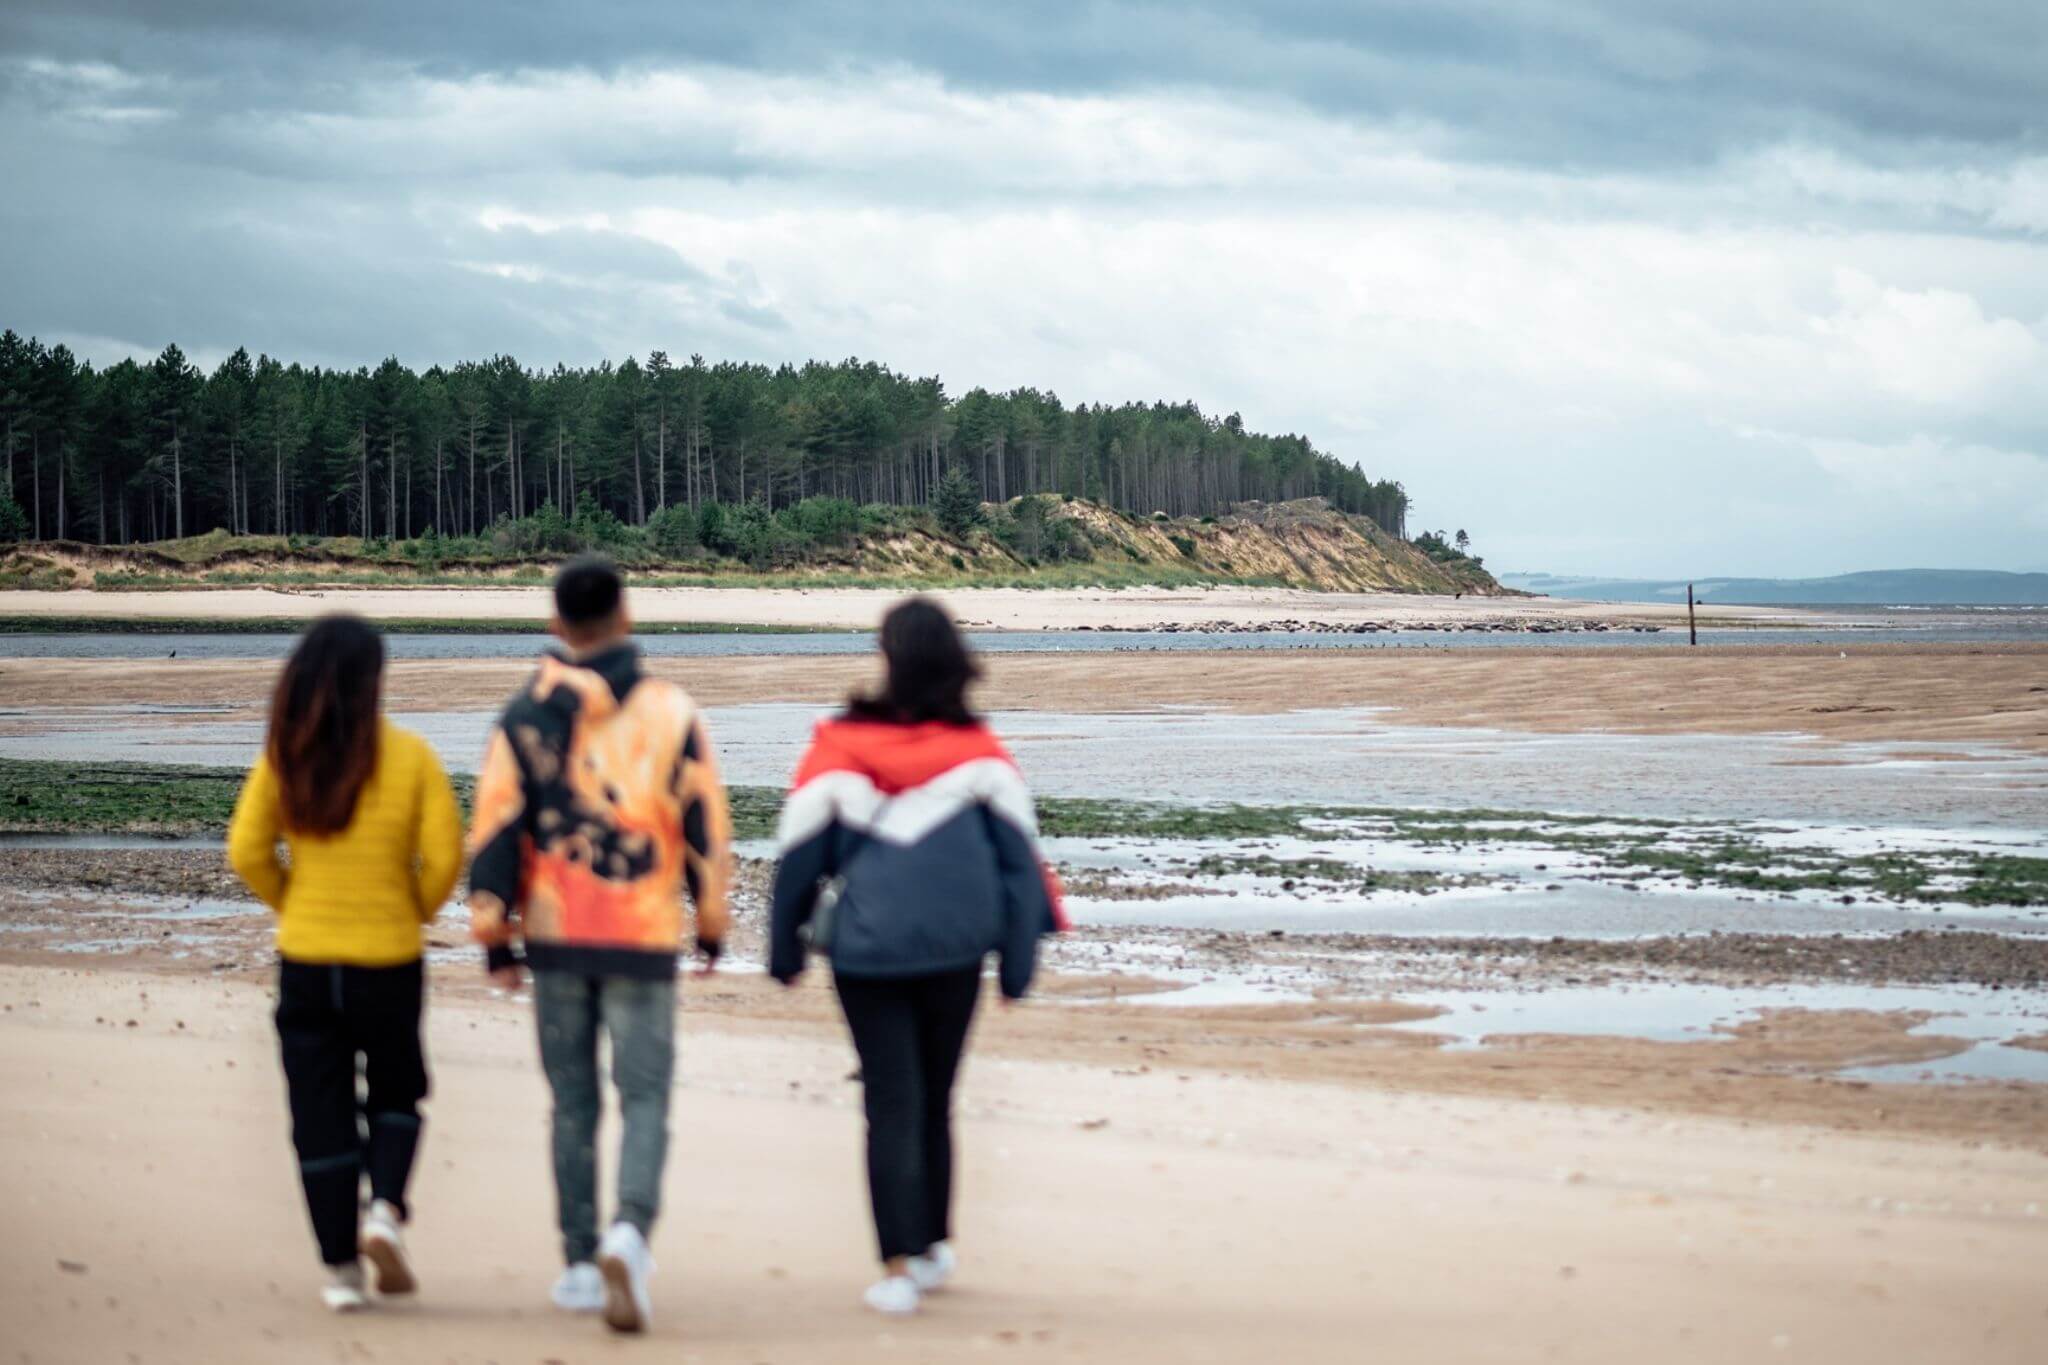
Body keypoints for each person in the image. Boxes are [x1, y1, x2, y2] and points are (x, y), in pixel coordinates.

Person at [770, 596, 1064, 1316]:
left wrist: (785, 947)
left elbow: (798, 862)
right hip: (954, 952)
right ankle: (931, 1243)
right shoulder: (984, 757)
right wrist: (1019, 964)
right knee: (935, 1098)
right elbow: (1021, 869)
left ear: (887, 656)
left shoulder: (837, 748)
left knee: (891, 1103)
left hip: (867, 955)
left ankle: (899, 1264)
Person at [467, 557, 731, 1335]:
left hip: (555, 934)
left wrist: (493, 930)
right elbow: (705, 826)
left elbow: (495, 825)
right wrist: (711, 919)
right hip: (641, 931)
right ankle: (630, 1232)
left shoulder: (524, 714)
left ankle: (581, 1262)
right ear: (625, 615)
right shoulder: (672, 711)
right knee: (645, 1093)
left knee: (572, 1099)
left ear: (556, 623)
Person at [226, 614, 464, 1313]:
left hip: (307, 956)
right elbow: (447, 856)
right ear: (373, 680)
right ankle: (384, 1210)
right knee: (396, 1090)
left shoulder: (285, 756)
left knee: (318, 1110)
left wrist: (294, 900)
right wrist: (410, 909)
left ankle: (340, 1270)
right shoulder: (411, 755)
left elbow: (245, 849)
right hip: (387, 958)